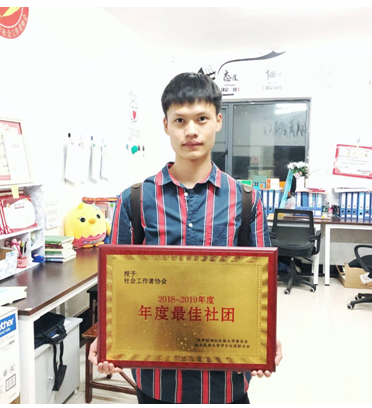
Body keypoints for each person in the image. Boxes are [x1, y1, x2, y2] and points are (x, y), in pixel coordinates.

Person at [88, 72, 283, 404]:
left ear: (218, 121)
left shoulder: (246, 200)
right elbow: (118, 286)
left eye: (201, 119)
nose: (191, 130)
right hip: (158, 380)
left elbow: (259, 284)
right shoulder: (134, 200)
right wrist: (108, 337)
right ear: (166, 125)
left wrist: (266, 336)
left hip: (225, 378)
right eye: (180, 120)